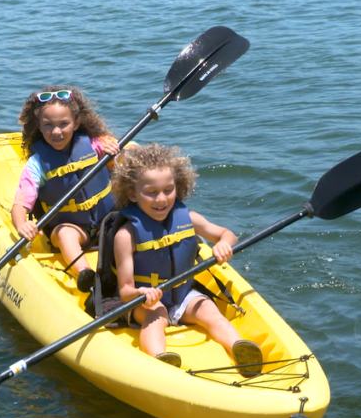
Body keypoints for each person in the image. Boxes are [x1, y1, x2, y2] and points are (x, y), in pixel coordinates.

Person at [111, 143, 262, 374]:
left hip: (183, 295)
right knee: (157, 316)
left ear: (177, 187)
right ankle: (159, 359)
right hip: (146, 302)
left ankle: (240, 350)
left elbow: (226, 234)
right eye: (151, 192)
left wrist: (223, 244)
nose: (161, 199)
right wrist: (142, 294)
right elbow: (125, 290)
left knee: (210, 311)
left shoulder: (188, 218)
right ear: (132, 194)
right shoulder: (126, 235)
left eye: (168, 190)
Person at [11, 86, 121, 293]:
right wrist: (21, 225)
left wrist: (115, 154)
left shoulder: (95, 145)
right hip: (74, 228)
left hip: (109, 221)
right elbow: (20, 204)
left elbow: (121, 165)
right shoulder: (37, 165)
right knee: (64, 234)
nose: (56, 131)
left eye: (63, 124)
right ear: (39, 127)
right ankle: (84, 274)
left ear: (76, 123)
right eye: (48, 125)